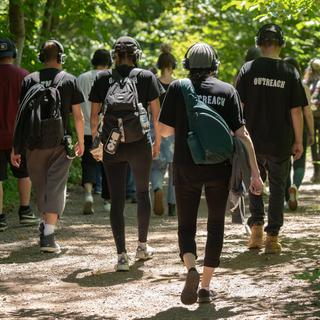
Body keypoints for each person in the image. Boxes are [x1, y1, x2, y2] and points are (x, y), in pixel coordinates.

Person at [159, 42, 263, 304]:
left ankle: (191, 269)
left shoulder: (177, 88)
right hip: (219, 169)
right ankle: (204, 287)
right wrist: (255, 173)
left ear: (187, 65)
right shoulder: (227, 90)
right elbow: (242, 134)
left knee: (186, 225)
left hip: (185, 165)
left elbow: (163, 131)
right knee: (216, 225)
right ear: (215, 65)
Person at [90, 36, 161, 271]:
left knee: (117, 200)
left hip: (112, 145)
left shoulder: (102, 78)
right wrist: (157, 142)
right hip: (139, 143)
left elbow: (94, 116)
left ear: (115, 55)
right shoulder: (146, 77)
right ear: (136, 55)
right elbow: (156, 114)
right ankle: (142, 246)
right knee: (142, 192)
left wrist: (96, 144)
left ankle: (121, 256)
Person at [235, 24, 307, 254]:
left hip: (252, 140)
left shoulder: (248, 69)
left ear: (259, 44)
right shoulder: (290, 72)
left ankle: (256, 230)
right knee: (277, 188)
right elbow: (296, 111)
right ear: (280, 43)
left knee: (255, 184)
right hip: (280, 141)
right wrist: (299, 140)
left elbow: (239, 107)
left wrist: (236, 134)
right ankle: (272, 238)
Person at [11, 40, 85, 253]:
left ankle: (45, 227)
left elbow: (21, 116)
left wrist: (17, 147)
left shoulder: (28, 80)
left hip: (33, 144)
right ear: (61, 58)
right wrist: (81, 141)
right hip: (60, 143)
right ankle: (49, 235)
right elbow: (78, 116)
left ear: (41, 57)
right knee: (56, 186)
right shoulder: (69, 80)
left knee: (41, 185)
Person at [0, 38, 37, 232]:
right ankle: (25, 211)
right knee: (24, 173)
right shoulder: (24, 76)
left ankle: (0, 218)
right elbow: (32, 108)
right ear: (13, 55)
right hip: (19, 136)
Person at [229, 46, 262, 225]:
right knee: (259, 171)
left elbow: (236, 104)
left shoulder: (241, 74)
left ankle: (242, 213)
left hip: (244, 128)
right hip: (265, 129)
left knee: (241, 169)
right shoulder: (266, 72)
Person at [78, 49, 112, 214]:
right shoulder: (111, 77)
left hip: (85, 127)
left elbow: (75, 104)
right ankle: (107, 201)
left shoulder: (82, 78)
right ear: (109, 62)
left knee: (88, 163)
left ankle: (88, 194)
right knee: (108, 164)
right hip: (107, 128)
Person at [283, 57, 314, 210]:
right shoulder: (303, 87)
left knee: (284, 163)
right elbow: (307, 113)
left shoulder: (279, 85)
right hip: (299, 127)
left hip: (283, 128)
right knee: (299, 161)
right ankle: (295, 187)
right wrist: (311, 133)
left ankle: (287, 198)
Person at [151, 44, 176, 216]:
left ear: (159, 65)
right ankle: (172, 205)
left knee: (156, 168)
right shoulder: (179, 85)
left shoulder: (153, 83)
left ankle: (158, 188)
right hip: (174, 130)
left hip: (156, 129)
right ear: (173, 65)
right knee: (174, 169)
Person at [303, 58, 320, 183]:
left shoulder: (309, 80)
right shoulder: (307, 80)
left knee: (314, 145)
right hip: (312, 117)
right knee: (313, 145)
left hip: (314, 115)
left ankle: (317, 173)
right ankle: (316, 172)